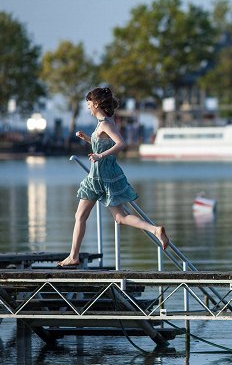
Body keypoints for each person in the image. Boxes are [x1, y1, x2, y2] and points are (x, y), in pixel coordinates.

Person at [57, 87, 169, 267]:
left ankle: (73, 256)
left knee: (80, 216)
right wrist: (87, 139)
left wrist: (100, 156)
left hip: (98, 176)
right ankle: (155, 230)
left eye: (88, 105)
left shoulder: (105, 124)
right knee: (120, 217)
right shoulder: (105, 121)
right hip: (108, 175)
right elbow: (104, 143)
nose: (88, 108)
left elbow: (120, 143)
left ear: (95, 104)